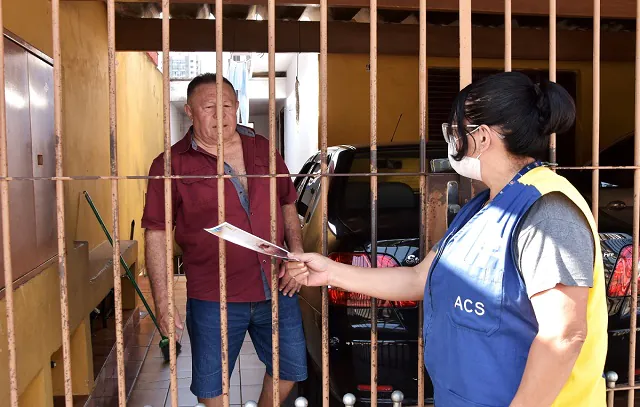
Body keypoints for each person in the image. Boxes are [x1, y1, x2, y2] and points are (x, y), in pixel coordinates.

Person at [285, 72, 607, 406]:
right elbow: (418, 278)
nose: (451, 140)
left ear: (481, 137)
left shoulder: (548, 211)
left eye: (454, 130)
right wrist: (329, 272)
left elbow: (564, 334)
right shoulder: (483, 206)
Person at [142, 73, 307, 407]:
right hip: (212, 296)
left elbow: (287, 202)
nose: (221, 115)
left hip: (276, 287)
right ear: (190, 111)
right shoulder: (170, 165)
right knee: (211, 387)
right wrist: (162, 302)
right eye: (210, 107)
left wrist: (297, 255)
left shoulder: (263, 149)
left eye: (228, 106)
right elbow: (156, 232)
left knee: (290, 368)